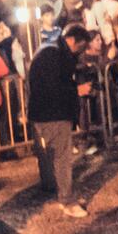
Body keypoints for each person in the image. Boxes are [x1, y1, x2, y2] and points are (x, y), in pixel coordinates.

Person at [26, 23, 94, 216]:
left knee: (49, 155)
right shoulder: (54, 55)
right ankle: (67, 200)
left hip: (42, 112)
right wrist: (77, 91)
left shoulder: (49, 51)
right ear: (72, 40)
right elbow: (53, 87)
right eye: (80, 47)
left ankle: (52, 188)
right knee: (62, 158)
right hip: (53, 114)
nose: (80, 53)